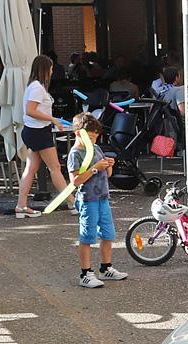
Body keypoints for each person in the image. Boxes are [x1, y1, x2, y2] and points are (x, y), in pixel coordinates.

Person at [66, 113, 127, 289]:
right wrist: (94, 168)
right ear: (79, 134)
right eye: (91, 137)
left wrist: (109, 166)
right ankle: (85, 273)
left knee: (108, 234)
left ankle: (106, 267)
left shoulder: (97, 148)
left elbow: (106, 175)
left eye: (95, 137)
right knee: (87, 236)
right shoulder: (75, 154)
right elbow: (75, 181)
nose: (93, 140)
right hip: (88, 200)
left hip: (103, 198)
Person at [15, 54, 72, 219]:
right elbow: (30, 110)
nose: (53, 71)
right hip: (38, 132)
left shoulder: (34, 86)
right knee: (54, 168)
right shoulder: (37, 88)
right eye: (51, 68)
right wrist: (53, 119)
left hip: (35, 132)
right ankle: (72, 202)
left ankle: (21, 205)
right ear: (45, 70)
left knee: (31, 168)